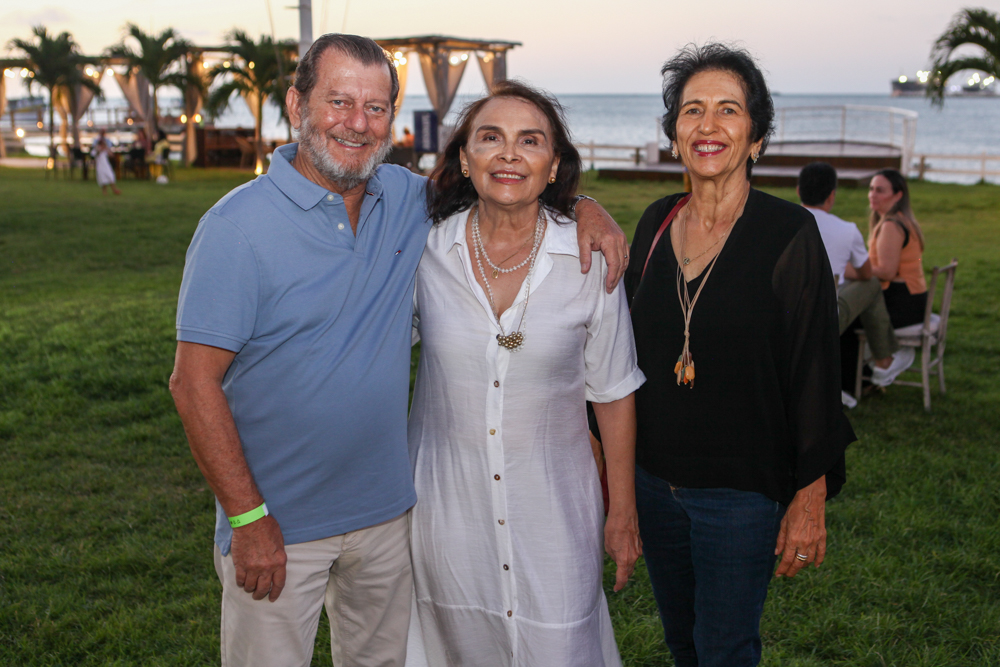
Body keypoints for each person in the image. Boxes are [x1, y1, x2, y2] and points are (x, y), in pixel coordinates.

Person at [169, 33, 628, 667]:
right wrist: (248, 520)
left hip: (389, 517)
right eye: (339, 102)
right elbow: (192, 385)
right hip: (278, 524)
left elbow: (508, 185)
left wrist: (582, 206)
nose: (358, 124)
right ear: (297, 106)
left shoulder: (410, 203)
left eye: (376, 107)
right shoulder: (235, 227)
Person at [624, 44, 856, 667]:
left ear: (755, 136)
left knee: (724, 649)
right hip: (654, 481)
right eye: (692, 110)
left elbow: (815, 373)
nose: (708, 125)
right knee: (681, 644)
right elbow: (620, 354)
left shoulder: (789, 234)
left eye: (729, 110)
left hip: (740, 492)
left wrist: (808, 502)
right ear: (674, 134)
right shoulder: (653, 223)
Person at [405, 80, 645, 667]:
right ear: (465, 158)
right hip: (445, 515)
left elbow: (613, 392)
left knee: (561, 645)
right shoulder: (422, 253)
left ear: (553, 163)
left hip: (556, 515)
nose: (509, 154)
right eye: (491, 138)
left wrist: (623, 511)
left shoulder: (590, 260)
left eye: (530, 141)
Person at [797, 162, 912, 389]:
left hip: (779, 317)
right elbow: (867, 274)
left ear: (799, 191)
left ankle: (862, 372)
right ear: (832, 196)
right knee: (870, 285)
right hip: (821, 322)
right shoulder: (847, 230)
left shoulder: (778, 223)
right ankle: (883, 360)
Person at [867, 168, 928, 330]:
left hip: (902, 305)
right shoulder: (903, 220)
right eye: (871, 189)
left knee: (842, 317)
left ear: (898, 195)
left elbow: (887, 272)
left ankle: (874, 355)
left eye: (880, 190)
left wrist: (856, 268)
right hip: (914, 300)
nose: (872, 194)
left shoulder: (891, 226)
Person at [91, 130, 121, 195]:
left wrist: (106, 148)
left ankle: (114, 189)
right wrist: (100, 149)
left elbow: (111, 155)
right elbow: (94, 155)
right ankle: (105, 192)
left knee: (110, 176)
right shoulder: (96, 149)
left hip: (106, 165)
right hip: (100, 166)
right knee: (103, 178)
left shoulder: (105, 149)